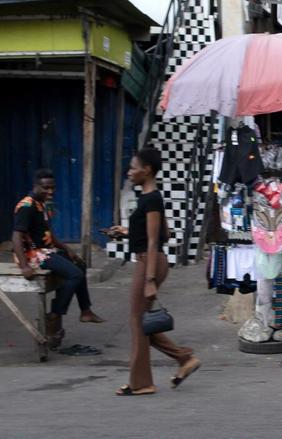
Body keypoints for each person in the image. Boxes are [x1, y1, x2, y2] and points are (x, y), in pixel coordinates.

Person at [110, 147, 200, 396]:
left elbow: (153, 241)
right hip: (151, 259)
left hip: (148, 262)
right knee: (140, 322)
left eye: (133, 167)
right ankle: (184, 359)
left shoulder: (151, 199)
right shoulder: (151, 198)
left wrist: (149, 279)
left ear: (146, 170)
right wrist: (126, 231)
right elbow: (166, 233)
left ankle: (142, 383)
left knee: (137, 321)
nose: (129, 172)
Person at [12, 169, 104, 345]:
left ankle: (85, 311)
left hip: (47, 251)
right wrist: (24, 266)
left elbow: (49, 234)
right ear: (36, 186)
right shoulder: (26, 206)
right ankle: (54, 314)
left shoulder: (41, 204)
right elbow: (16, 236)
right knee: (75, 274)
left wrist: (67, 249)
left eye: (52, 188)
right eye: (46, 188)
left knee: (80, 265)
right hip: (33, 255)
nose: (50, 191)